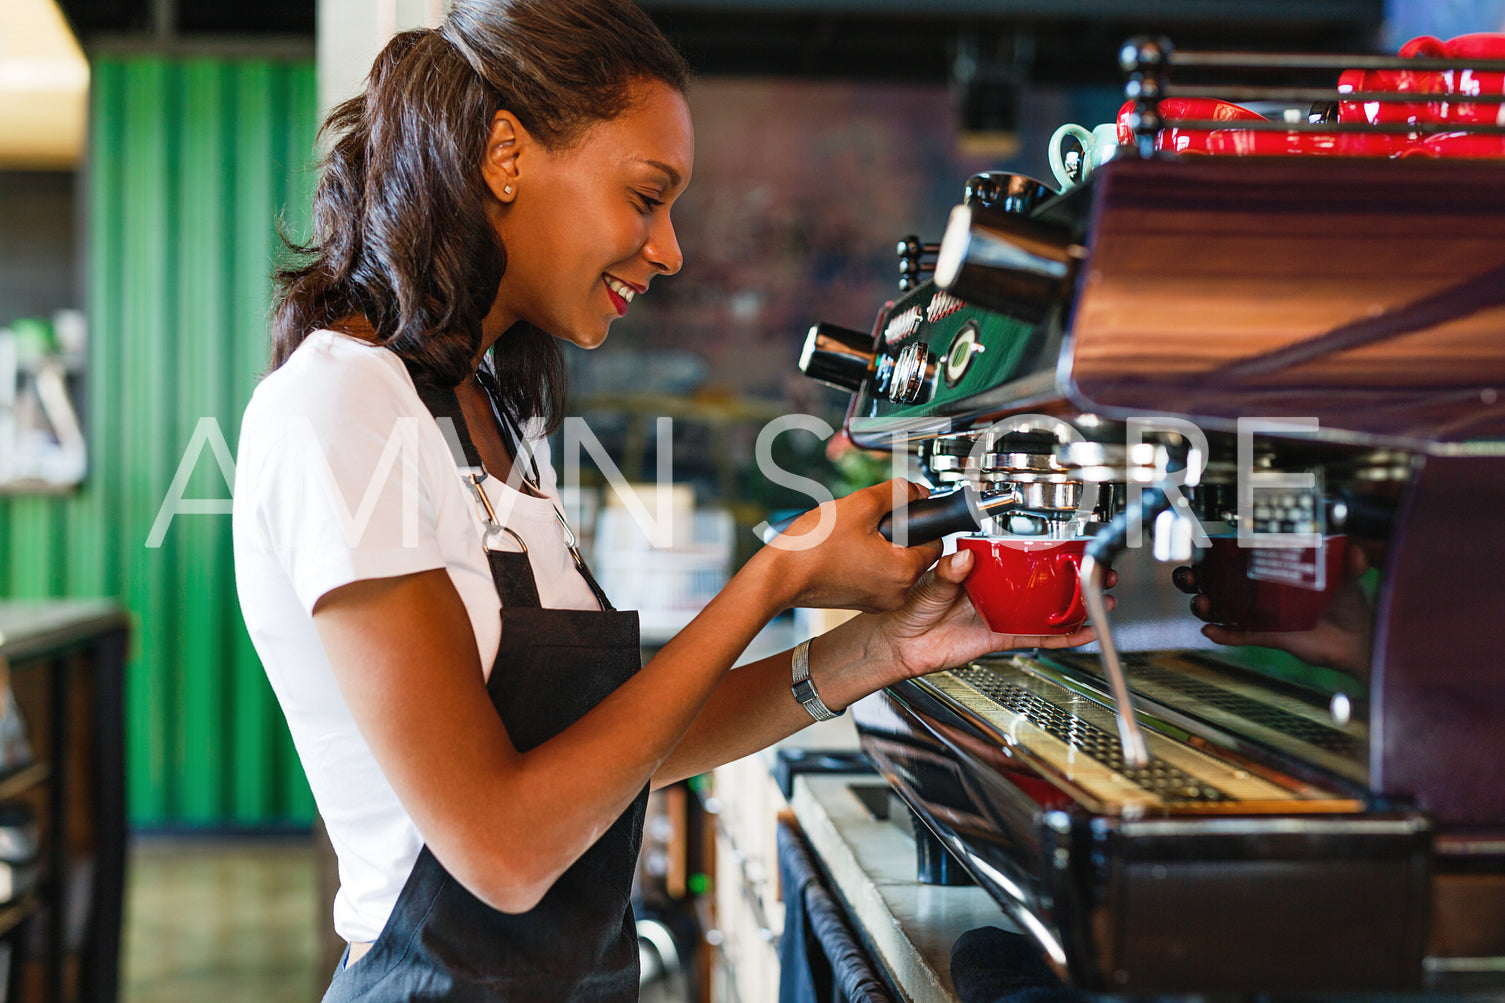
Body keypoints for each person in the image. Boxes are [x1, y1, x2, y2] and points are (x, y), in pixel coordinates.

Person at [231, 1, 1100, 998]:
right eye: (647, 197)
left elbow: (605, 761)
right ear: (504, 154)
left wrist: (882, 648)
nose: (669, 249)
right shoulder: (341, 405)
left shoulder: (487, 414)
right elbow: (503, 847)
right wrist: (773, 576)